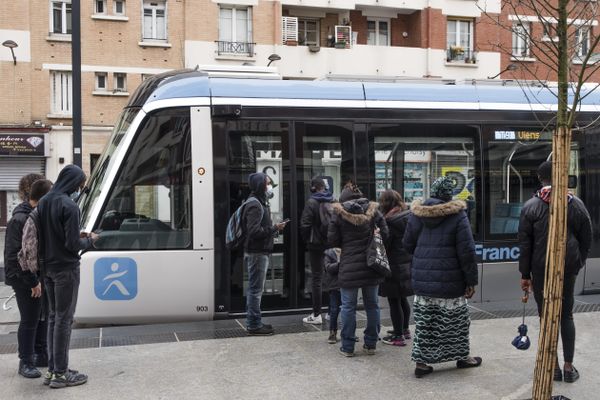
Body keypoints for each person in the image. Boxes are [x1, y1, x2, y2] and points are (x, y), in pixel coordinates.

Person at [518, 161, 592, 383]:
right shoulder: (575, 203)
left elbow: (524, 245)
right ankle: (569, 368)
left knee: (546, 316)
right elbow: (586, 236)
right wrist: (577, 261)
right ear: (560, 176)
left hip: (540, 269)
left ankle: (554, 367)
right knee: (566, 315)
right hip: (568, 267)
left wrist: (525, 274)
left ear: (541, 179)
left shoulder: (530, 206)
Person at [403, 176, 481, 378]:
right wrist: (471, 280)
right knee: (456, 322)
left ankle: (421, 364)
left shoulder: (417, 214)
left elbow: (407, 245)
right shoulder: (458, 215)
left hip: (422, 279)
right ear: (449, 194)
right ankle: (462, 357)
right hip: (451, 279)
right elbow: (467, 251)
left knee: (425, 323)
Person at [37, 165, 98, 389]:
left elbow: (48, 235)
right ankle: (61, 374)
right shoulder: (70, 206)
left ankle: (53, 371)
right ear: (73, 184)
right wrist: (90, 240)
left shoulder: (43, 202)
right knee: (64, 320)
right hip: (66, 269)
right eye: (80, 185)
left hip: (47, 269)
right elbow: (72, 245)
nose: (79, 189)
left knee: (53, 318)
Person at [328, 184, 388, 357]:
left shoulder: (338, 213)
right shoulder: (374, 211)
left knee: (347, 306)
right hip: (372, 265)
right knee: (372, 305)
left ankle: (347, 347)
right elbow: (385, 233)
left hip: (348, 265)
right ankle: (370, 344)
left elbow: (332, 240)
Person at [4, 174, 51, 378]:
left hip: (36, 276)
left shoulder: (36, 214)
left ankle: (41, 354)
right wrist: (32, 282)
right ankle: (26, 361)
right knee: (30, 319)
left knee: (41, 316)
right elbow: (18, 255)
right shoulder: (21, 218)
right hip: (24, 278)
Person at [243, 172, 287, 336]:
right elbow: (254, 231)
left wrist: (273, 228)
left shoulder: (259, 202)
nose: (270, 186)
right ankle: (254, 325)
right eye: (268, 183)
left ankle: (255, 321)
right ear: (260, 185)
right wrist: (275, 228)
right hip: (257, 252)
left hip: (259, 251)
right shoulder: (255, 205)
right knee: (255, 290)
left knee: (255, 289)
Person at [378, 189, 413, 347]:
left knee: (394, 300)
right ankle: (404, 329)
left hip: (394, 264)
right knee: (403, 298)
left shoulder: (390, 221)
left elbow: (386, 244)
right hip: (406, 262)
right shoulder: (407, 216)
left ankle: (398, 336)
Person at [300, 177, 334, 324]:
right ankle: (332, 312)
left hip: (316, 245)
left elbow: (305, 224)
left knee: (317, 278)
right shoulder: (332, 200)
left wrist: (307, 239)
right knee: (332, 277)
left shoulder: (312, 202)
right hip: (331, 243)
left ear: (313, 187)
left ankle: (316, 314)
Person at [323, 247, 341, 343]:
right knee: (334, 310)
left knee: (350, 310)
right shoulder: (329, 253)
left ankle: (350, 333)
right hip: (334, 286)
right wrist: (340, 264)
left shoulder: (348, 249)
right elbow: (328, 268)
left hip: (346, 285)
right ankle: (332, 333)